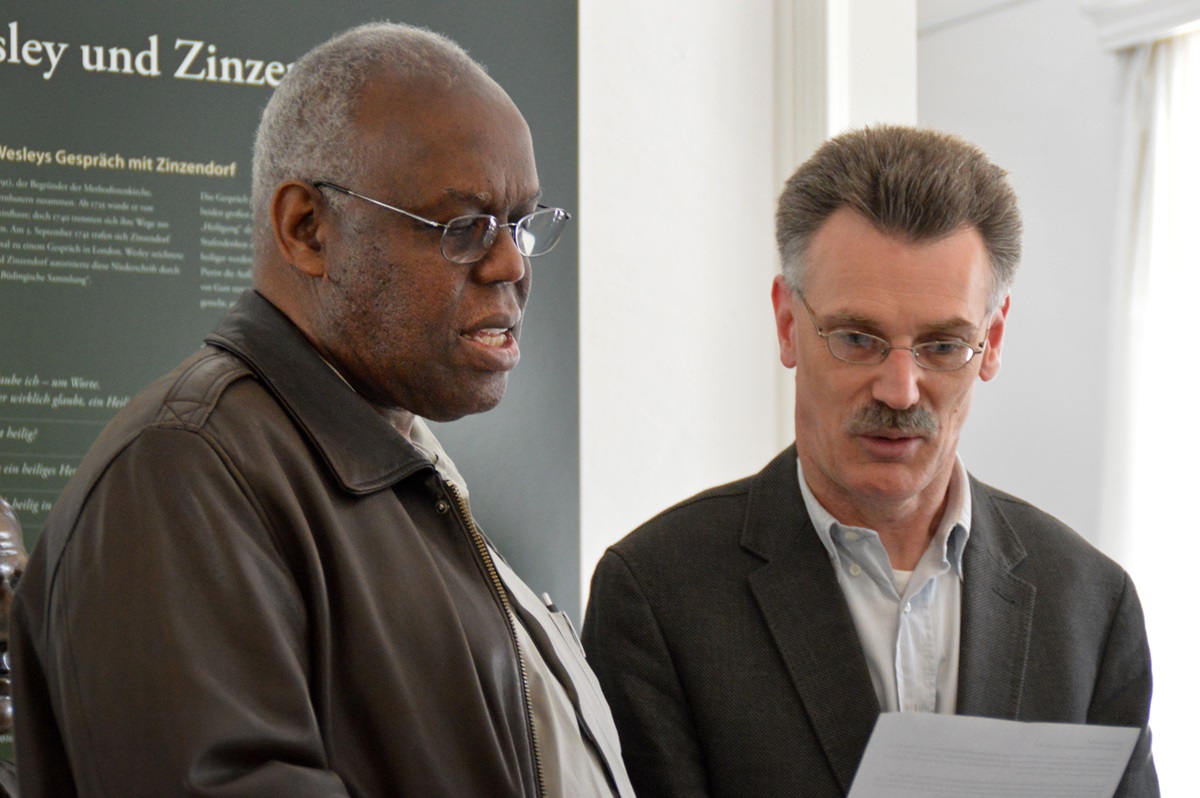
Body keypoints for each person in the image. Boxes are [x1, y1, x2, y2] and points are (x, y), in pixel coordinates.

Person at [12, 22, 634, 798]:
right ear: (307, 229)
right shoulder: (183, 472)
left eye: (521, 223)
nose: (510, 263)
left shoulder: (392, 457)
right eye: (464, 227)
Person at [582, 125, 1158, 797]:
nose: (899, 389)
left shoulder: (1091, 604)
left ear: (993, 340)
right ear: (787, 324)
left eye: (943, 345)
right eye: (858, 339)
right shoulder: (658, 594)